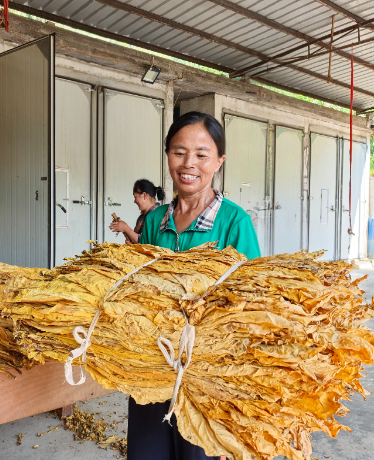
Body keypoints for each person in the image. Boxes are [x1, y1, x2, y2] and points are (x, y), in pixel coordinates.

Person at [128, 111, 260, 460]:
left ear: (219, 161)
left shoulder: (234, 222)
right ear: (167, 155)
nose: (189, 163)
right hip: (152, 365)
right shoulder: (155, 220)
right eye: (179, 152)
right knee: (146, 453)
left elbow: (251, 305)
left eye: (202, 154)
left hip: (207, 377)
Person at [109, 179, 165, 244]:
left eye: (135, 197)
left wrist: (125, 228)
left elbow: (144, 242)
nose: (134, 201)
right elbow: (138, 242)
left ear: (144, 195)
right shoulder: (142, 218)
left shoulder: (157, 216)